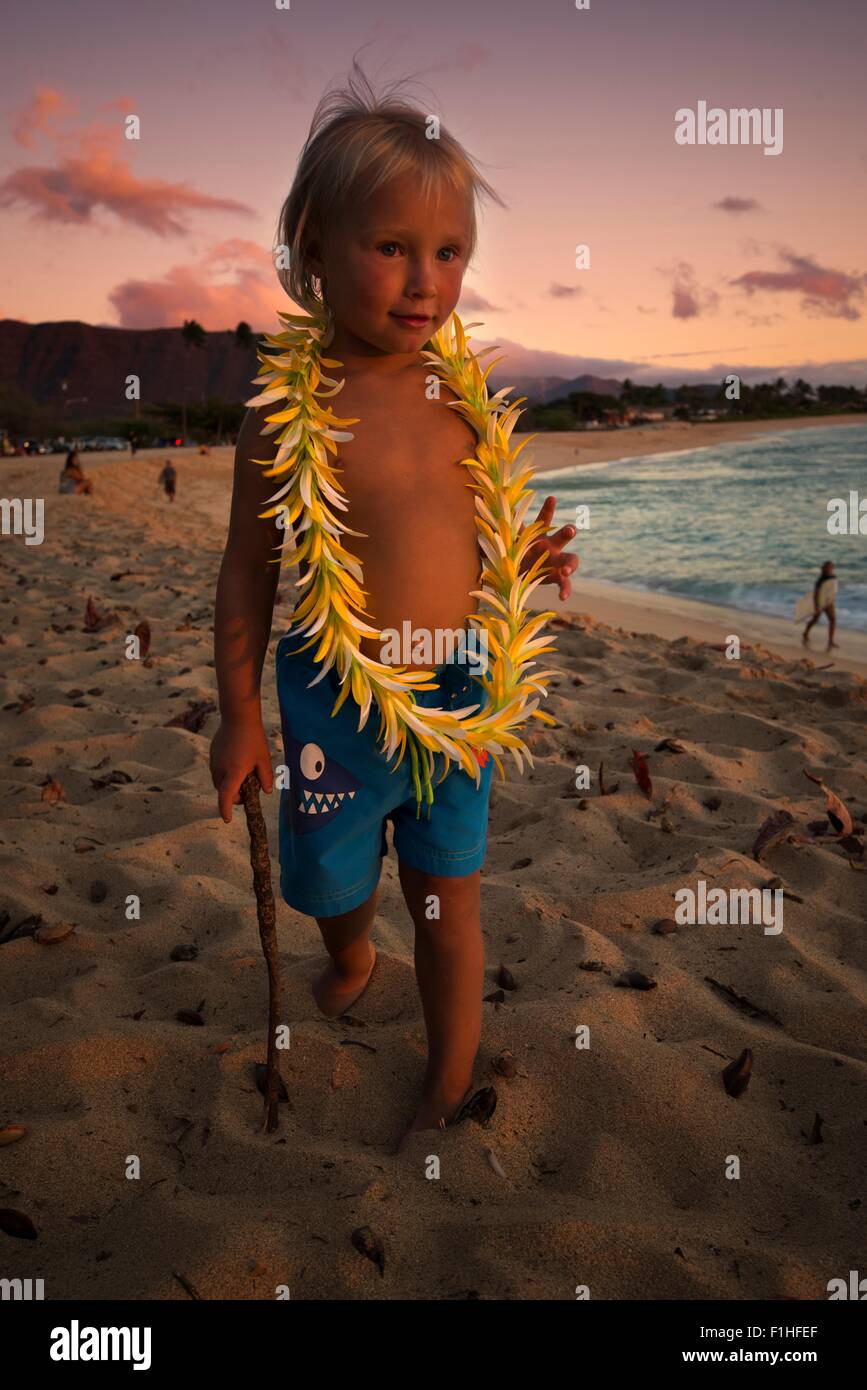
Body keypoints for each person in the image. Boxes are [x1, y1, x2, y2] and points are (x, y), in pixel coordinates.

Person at [208, 63, 578, 1139]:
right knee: (331, 883)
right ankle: (353, 952)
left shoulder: (459, 398)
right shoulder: (287, 415)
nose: (426, 282)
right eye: (392, 248)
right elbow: (247, 570)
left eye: (449, 253)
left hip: (461, 687)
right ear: (314, 249)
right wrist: (237, 713)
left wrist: (530, 558)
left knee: (449, 894)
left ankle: (447, 1077)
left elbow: (480, 529)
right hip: (335, 693)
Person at [800, 560, 838, 651]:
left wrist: (832, 599)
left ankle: (831, 641)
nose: (829, 569)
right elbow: (816, 594)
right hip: (820, 603)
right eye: (827, 567)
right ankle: (805, 632)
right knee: (815, 620)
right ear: (823, 569)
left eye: (831, 568)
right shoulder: (820, 580)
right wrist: (817, 606)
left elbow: (833, 589)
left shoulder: (833, 577)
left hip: (829, 603)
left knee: (832, 620)